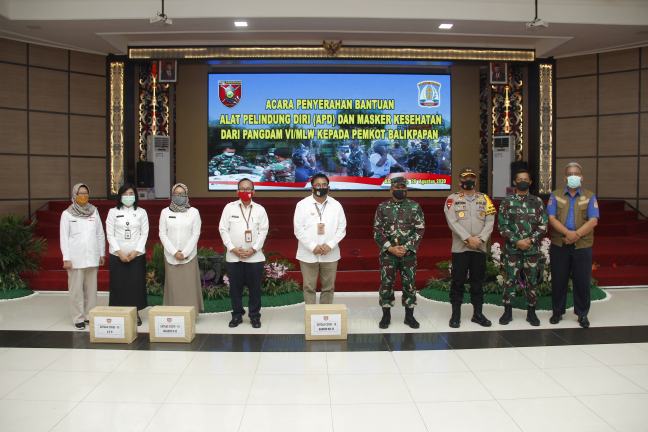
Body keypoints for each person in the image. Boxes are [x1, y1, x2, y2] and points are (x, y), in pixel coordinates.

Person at [547, 162, 599, 328]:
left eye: (576, 173)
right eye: (570, 173)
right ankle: (557, 312)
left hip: (582, 245)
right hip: (559, 244)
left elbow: (593, 221)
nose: (573, 176)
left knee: (582, 281)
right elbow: (551, 218)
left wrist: (575, 235)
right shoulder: (555, 195)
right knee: (559, 280)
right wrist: (567, 234)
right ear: (565, 177)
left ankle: (582, 314)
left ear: (581, 177)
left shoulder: (590, 196)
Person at [444, 168, 496, 328]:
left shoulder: (485, 199)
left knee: (478, 282)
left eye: (472, 178)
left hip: (479, 248)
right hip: (461, 248)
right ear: (460, 182)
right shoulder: (452, 199)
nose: (469, 181)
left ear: (475, 181)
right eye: (465, 179)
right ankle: (455, 315)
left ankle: (478, 314)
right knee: (458, 281)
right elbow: (452, 221)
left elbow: (490, 220)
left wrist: (480, 239)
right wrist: (467, 238)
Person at [497, 169, 548, 326]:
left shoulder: (537, 201)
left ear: (530, 182)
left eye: (526, 179)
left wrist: (531, 240)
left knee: (532, 280)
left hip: (531, 250)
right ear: (514, 182)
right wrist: (516, 241)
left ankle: (531, 313)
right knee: (509, 280)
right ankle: (507, 311)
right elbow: (502, 226)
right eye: (519, 179)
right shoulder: (506, 202)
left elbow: (543, 225)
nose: (522, 181)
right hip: (512, 249)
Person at [373, 177, 425, 329]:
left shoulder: (415, 206)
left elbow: (419, 229)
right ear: (391, 190)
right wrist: (390, 248)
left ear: (407, 190)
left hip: (408, 254)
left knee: (409, 284)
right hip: (388, 254)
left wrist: (407, 247)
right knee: (386, 284)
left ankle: (409, 316)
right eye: (397, 188)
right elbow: (377, 231)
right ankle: (386, 316)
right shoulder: (382, 207)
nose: (400, 190)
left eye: (403, 188)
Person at [219, 178, 269, 328]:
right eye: (242, 188)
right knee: (235, 289)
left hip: (255, 257)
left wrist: (253, 249)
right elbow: (223, 229)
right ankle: (237, 315)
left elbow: (263, 231)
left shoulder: (260, 209)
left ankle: (254, 316)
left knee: (255, 289)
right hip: (234, 257)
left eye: (248, 189)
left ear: (253, 191)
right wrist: (233, 248)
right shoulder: (229, 208)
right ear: (237, 191)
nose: (245, 191)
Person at [293, 173, 347, 304]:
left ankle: (324, 317)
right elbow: (298, 230)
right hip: (308, 253)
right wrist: (313, 246)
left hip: (330, 253)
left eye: (324, 185)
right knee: (309, 287)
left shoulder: (336, 205)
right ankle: (311, 317)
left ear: (328, 188)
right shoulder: (302, 205)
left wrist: (330, 245)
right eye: (317, 185)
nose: (320, 187)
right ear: (312, 188)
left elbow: (342, 228)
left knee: (328, 287)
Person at [59, 183, 105, 329]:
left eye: (86, 193)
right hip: (75, 258)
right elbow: (64, 238)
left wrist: (101, 253)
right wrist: (66, 257)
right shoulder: (67, 214)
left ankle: (89, 315)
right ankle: (78, 317)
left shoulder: (94, 211)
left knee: (91, 290)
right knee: (76, 290)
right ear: (74, 195)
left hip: (92, 257)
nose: (83, 196)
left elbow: (99, 233)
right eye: (80, 193)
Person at [106, 183, 149, 326]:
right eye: (126, 194)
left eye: (131, 194)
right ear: (120, 196)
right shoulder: (113, 212)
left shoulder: (142, 212)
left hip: (136, 256)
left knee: (135, 285)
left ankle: (134, 314)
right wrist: (119, 252)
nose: (128, 197)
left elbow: (144, 234)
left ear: (135, 196)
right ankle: (119, 315)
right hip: (117, 255)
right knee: (119, 285)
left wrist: (135, 252)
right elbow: (110, 234)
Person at [159, 183, 203, 316]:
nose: (179, 196)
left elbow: (196, 234)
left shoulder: (194, 212)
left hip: (189, 256)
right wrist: (174, 252)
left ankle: (191, 314)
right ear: (172, 195)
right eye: (176, 194)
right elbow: (162, 234)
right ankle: (173, 314)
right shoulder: (165, 212)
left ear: (186, 195)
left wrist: (184, 253)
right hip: (171, 256)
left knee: (188, 287)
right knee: (174, 287)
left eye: (182, 194)